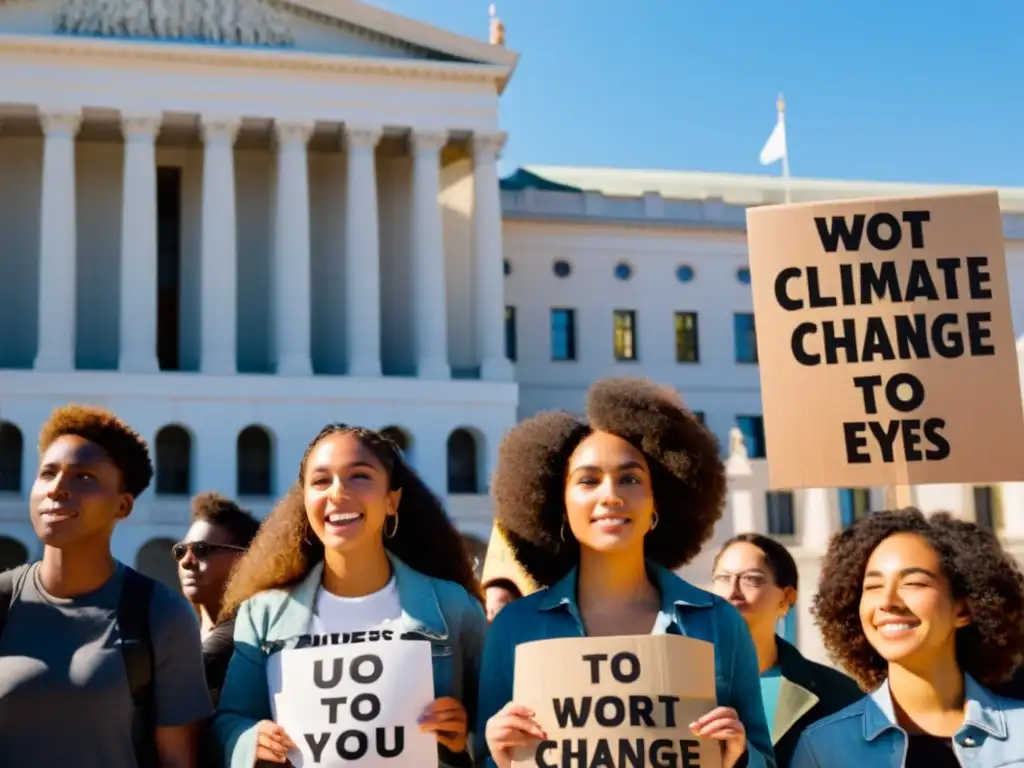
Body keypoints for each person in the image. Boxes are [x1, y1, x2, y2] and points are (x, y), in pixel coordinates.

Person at [477, 377, 775, 768]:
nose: (611, 495)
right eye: (588, 480)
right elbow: (482, 759)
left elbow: (762, 760)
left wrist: (738, 755)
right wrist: (498, 756)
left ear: (657, 502)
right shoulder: (514, 628)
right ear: (559, 503)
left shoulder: (719, 622)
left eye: (631, 479)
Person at [212, 424, 487, 768]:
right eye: (321, 481)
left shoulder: (452, 606)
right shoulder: (263, 615)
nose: (337, 493)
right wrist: (251, 739)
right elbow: (229, 723)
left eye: (359, 476)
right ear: (305, 500)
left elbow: (497, 722)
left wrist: (465, 735)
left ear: (392, 500)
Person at [0, 404, 213, 767]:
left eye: (83, 477)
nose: (57, 489)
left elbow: (178, 759)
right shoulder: (4, 601)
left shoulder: (160, 616)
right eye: (47, 473)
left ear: (123, 506)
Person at [792, 508, 1024, 767]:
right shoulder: (824, 748)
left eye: (913, 583)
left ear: (963, 609)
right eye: (873, 587)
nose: (888, 602)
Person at [710, 533, 862, 767]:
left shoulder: (839, 697)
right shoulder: (681, 684)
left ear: (787, 598)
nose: (732, 592)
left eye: (751, 579)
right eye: (722, 578)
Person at [175, 491, 260, 701]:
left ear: (244, 559)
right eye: (180, 551)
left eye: (201, 550)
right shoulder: (183, 635)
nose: (186, 561)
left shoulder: (247, 635)